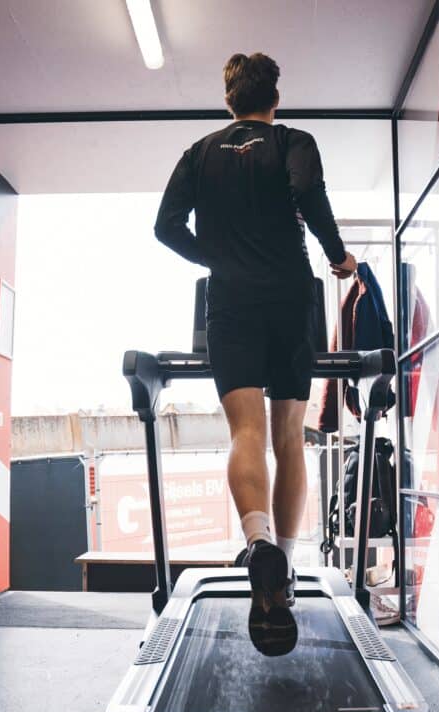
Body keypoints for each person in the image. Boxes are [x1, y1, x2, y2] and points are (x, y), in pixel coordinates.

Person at [155, 52, 356, 655]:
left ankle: (258, 542)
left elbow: (166, 226)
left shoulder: (199, 153)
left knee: (245, 431)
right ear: (275, 98)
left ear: (229, 102)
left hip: (231, 301)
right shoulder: (294, 141)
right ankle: (283, 568)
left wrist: (215, 257)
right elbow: (309, 195)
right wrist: (339, 257)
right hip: (291, 297)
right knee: (288, 436)